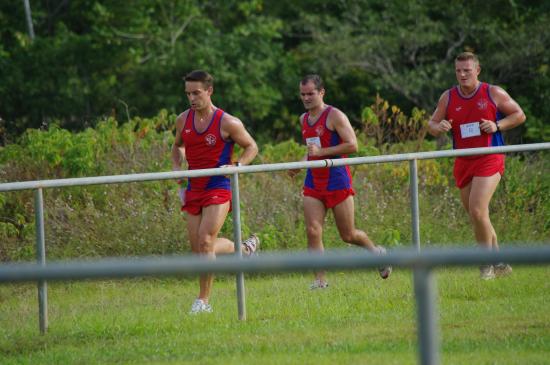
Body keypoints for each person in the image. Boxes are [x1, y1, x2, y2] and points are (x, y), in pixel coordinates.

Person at [427, 52, 526, 280]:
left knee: (478, 210)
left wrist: (497, 125)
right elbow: (431, 124)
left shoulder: (493, 92)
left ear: (477, 70)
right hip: (464, 159)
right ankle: (500, 261)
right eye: (458, 71)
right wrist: (438, 126)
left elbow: (519, 115)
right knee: (477, 216)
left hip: (490, 156)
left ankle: (486, 266)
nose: (462, 75)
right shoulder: (448, 97)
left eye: (467, 70)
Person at [171, 70, 260, 313]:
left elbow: (252, 146)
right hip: (194, 187)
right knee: (198, 248)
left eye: (196, 93)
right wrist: (177, 167)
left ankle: (203, 301)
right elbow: (177, 146)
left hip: (218, 186)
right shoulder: (182, 120)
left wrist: (238, 166)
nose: (192, 98)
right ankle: (244, 249)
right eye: (188, 93)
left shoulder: (227, 122)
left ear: (209, 91)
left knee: (206, 241)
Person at [292, 74, 392, 289]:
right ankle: (320, 281)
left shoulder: (334, 115)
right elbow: (312, 150)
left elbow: (352, 145)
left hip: (337, 180)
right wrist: (300, 163)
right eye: (303, 94)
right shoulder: (303, 119)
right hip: (313, 181)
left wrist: (322, 152)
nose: (306, 98)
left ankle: (377, 254)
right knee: (313, 230)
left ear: (321, 93)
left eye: (311, 93)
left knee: (348, 234)